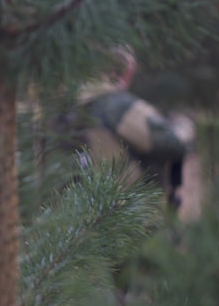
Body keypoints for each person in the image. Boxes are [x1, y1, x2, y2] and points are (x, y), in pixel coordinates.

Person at [73, 47, 194, 209]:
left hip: (78, 214)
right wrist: (184, 126)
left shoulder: (72, 106)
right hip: (126, 212)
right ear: (126, 71)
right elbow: (171, 143)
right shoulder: (118, 106)